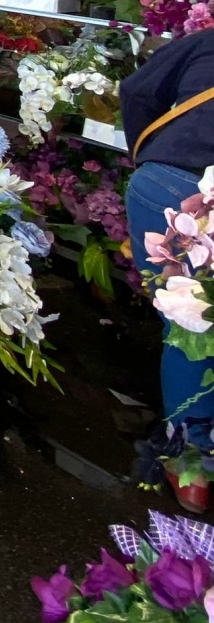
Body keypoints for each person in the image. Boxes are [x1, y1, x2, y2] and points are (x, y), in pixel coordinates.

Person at [120, 27, 214, 455]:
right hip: (185, 187)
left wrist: (151, 153)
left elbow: (138, 90)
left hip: (166, 182)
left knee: (189, 327)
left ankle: (191, 462)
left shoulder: (208, 42)